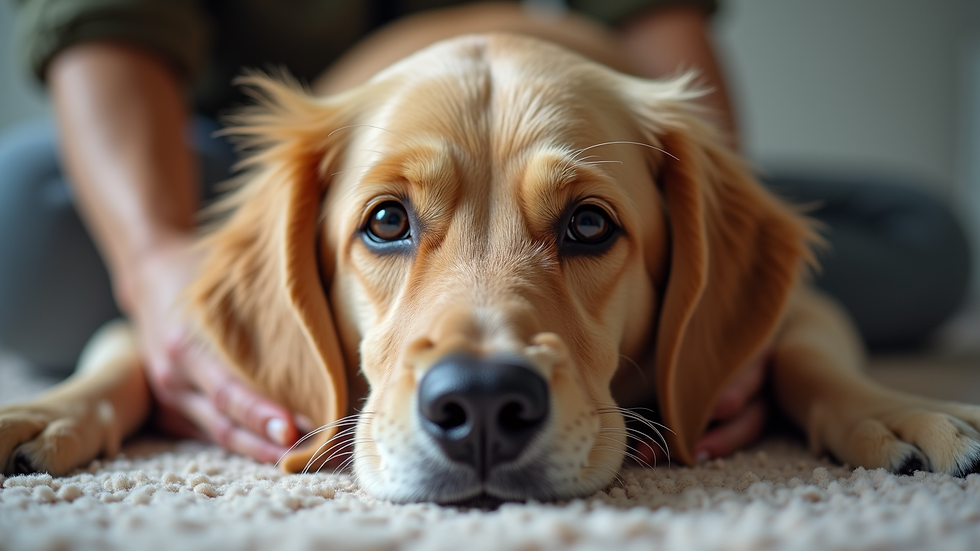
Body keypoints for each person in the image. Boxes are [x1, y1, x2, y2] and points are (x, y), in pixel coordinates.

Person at [0, 0, 970, 466]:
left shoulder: (665, 202)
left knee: (925, 234)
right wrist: (141, 314)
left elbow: (656, 21)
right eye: (390, 223)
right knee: (21, 210)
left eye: (585, 225)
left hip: (593, 110)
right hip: (262, 122)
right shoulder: (308, 192)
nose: (477, 371)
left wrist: (760, 349)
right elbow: (101, 20)